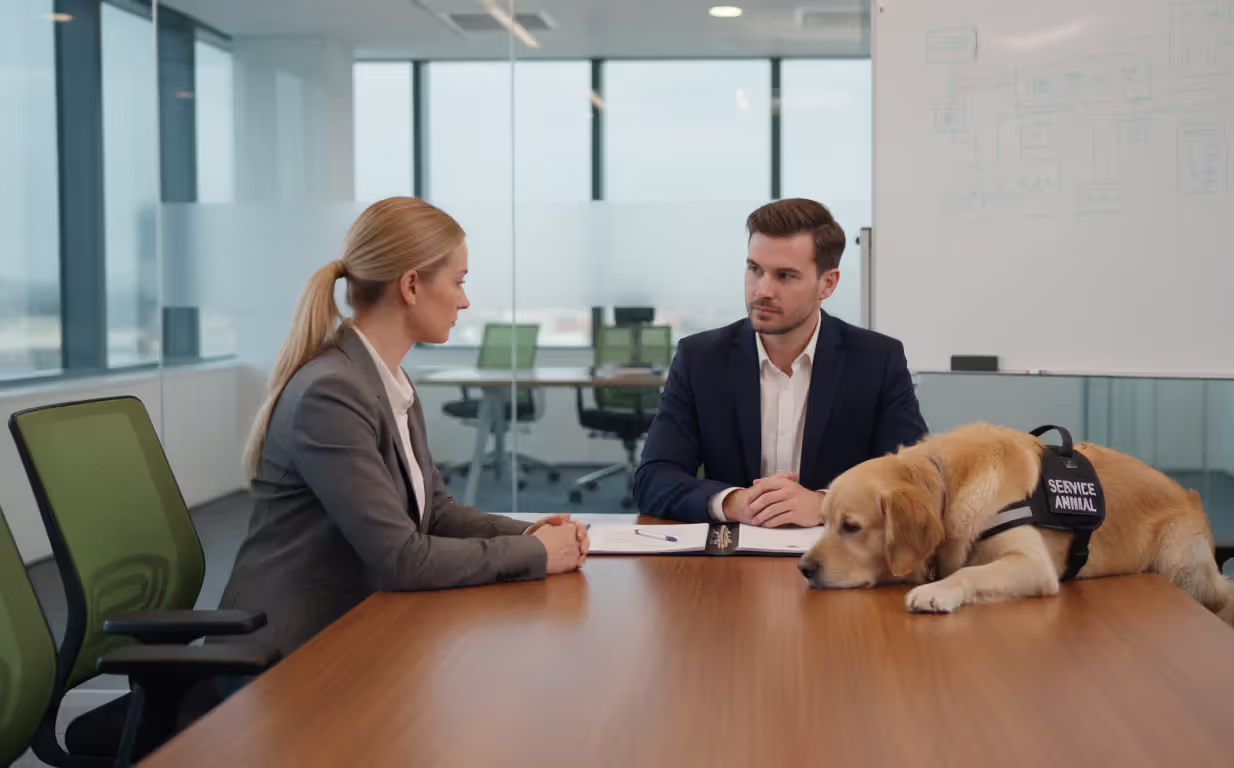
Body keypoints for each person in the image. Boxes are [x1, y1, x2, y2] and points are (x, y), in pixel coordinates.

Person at [219, 197, 588, 659]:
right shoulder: (331, 394)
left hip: (359, 626)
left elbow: (434, 513)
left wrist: (529, 534)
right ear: (411, 285)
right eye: (458, 281)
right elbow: (402, 559)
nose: (465, 299)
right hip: (292, 655)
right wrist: (537, 556)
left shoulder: (384, 378)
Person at [632, 198, 928, 527]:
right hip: (731, 561)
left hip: (837, 555)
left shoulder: (876, 360)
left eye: (785, 276)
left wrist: (827, 504)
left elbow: (915, 482)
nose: (762, 290)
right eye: (755, 270)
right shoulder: (700, 359)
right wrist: (733, 502)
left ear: (827, 283)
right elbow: (653, 479)